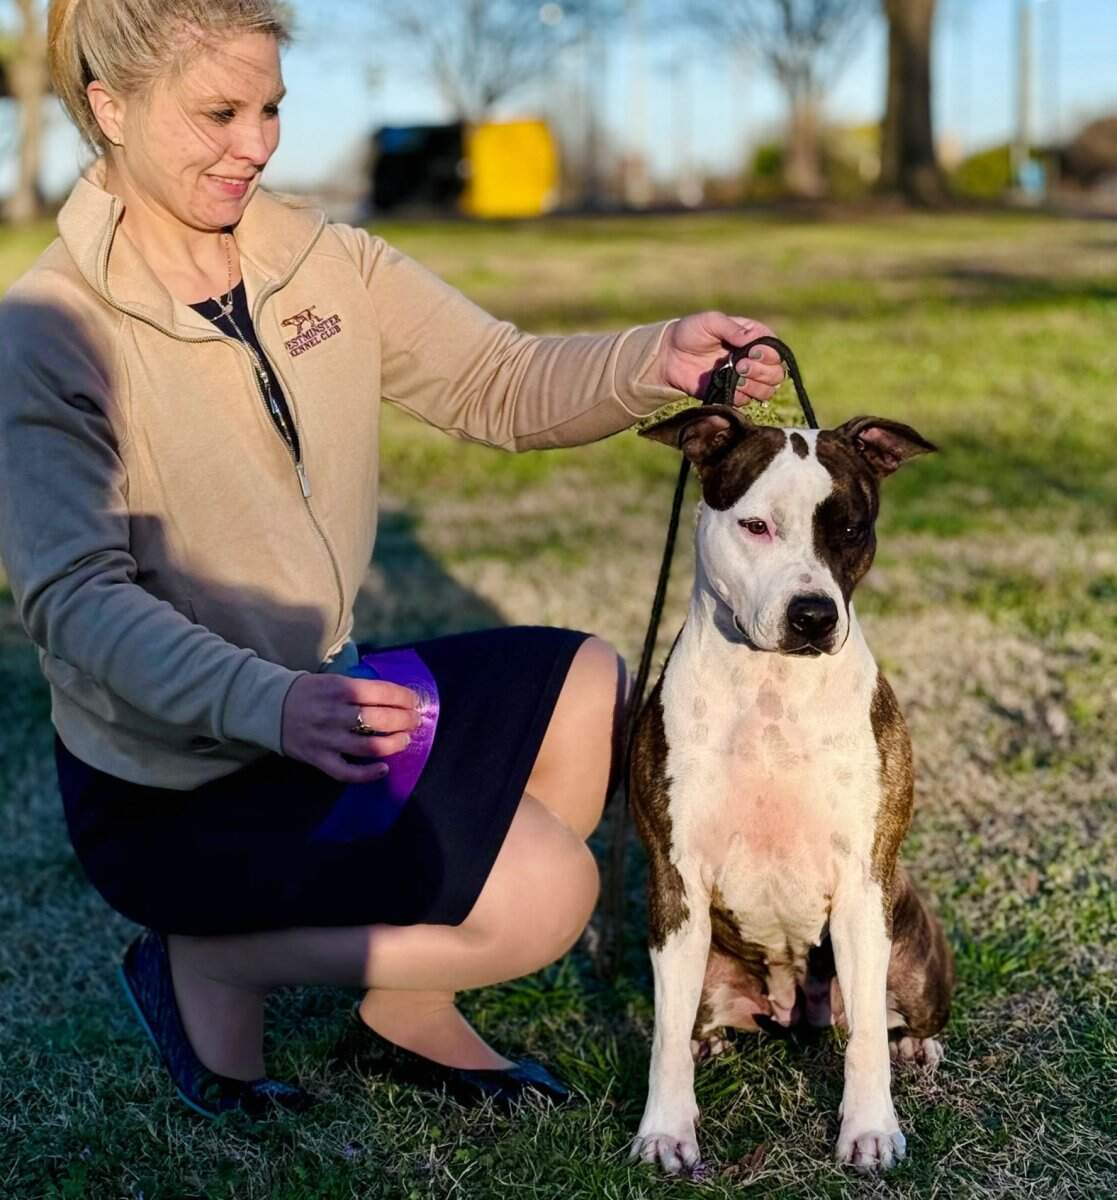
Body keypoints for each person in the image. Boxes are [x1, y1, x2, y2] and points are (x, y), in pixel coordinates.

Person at [0, 0, 785, 1118]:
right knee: (550, 896)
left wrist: (652, 359)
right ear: (110, 107)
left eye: (270, 106)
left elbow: (495, 380)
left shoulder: (317, 261)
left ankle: (404, 1005)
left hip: (315, 699)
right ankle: (206, 961)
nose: (258, 142)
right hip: (177, 783)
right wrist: (270, 706)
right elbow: (75, 602)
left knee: (585, 688)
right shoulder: (49, 327)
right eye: (219, 112)